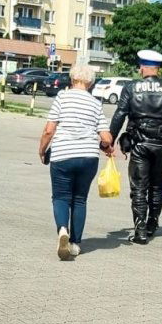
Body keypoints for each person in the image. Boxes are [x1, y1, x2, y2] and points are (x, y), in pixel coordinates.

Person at [110, 50, 162, 244]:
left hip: (139, 144)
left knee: (139, 188)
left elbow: (120, 114)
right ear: (158, 68)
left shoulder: (131, 87)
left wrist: (109, 140)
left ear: (143, 67)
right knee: (156, 187)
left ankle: (140, 231)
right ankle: (153, 223)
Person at [38, 65, 113, 260]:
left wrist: (42, 149)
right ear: (91, 83)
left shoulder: (62, 98)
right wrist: (106, 147)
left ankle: (63, 230)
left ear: (72, 80)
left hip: (63, 155)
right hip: (88, 158)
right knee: (80, 199)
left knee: (61, 197)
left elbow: (49, 130)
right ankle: (76, 244)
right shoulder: (96, 103)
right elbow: (106, 137)